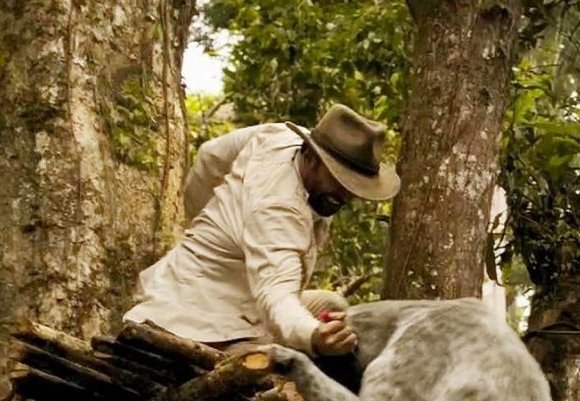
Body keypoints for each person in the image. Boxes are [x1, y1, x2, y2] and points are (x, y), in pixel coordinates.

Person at [124, 104, 400, 357]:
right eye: (339, 181)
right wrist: (315, 337)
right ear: (313, 159)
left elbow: (210, 155)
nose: (345, 194)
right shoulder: (279, 208)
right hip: (199, 318)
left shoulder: (281, 137)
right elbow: (276, 294)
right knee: (286, 369)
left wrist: (213, 221)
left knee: (332, 305)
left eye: (353, 187)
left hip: (241, 297)